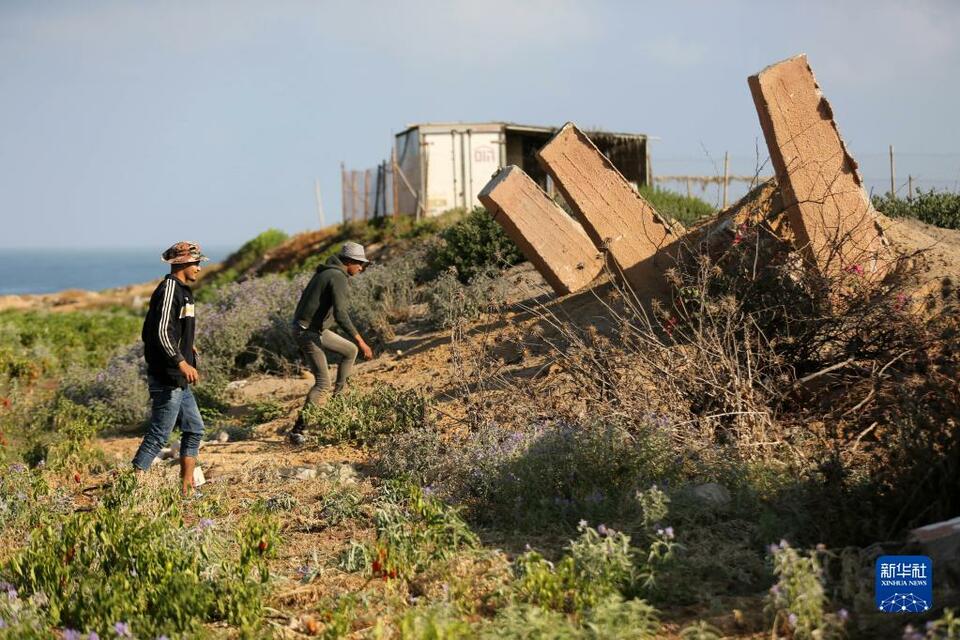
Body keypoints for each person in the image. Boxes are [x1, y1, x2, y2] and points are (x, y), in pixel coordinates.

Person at [131, 241, 208, 495]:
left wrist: (189, 347)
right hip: (168, 376)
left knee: (195, 428)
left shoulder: (184, 291)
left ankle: (186, 488)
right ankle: (131, 489)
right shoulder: (169, 290)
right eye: (196, 263)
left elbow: (172, 329)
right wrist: (181, 361)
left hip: (178, 379)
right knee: (159, 435)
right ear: (182, 263)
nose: (198, 267)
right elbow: (160, 331)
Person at [289, 241, 374, 443]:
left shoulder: (327, 272)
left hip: (313, 329)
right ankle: (298, 430)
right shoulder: (337, 276)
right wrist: (363, 342)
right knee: (323, 383)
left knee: (349, 351)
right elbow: (342, 315)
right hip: (307, 332)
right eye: (360, 264)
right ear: (349, 261)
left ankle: (339, 400)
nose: (361, 268)